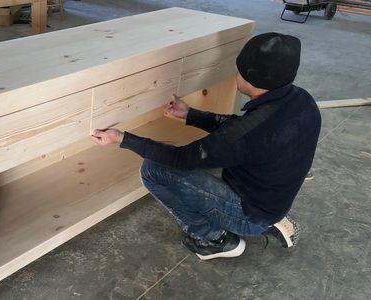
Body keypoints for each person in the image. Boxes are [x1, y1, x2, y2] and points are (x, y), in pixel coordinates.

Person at [91, 32, 321, 260]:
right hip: (275, 194)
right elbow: (243, 127)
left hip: (252, 212)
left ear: (250, 78)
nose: (235, 71)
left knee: (153, 169)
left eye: (239, 68)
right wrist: (191, 114)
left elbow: (180, 159)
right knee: (213, 158)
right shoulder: (302, 100)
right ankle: (270, 218)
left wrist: (123, 139)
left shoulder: (245, 136)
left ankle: (215, 239)